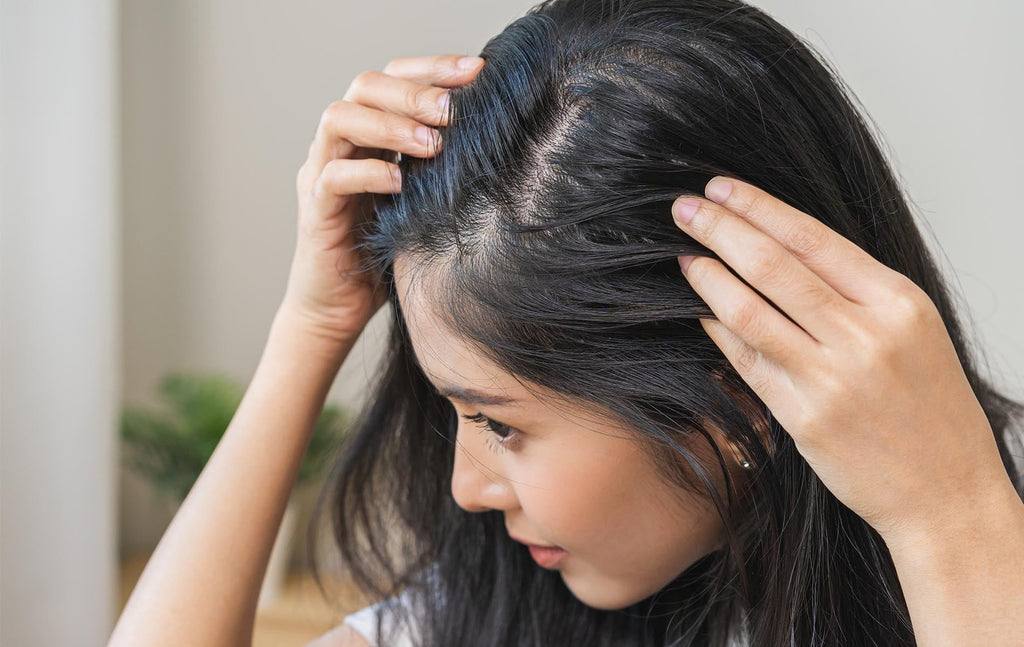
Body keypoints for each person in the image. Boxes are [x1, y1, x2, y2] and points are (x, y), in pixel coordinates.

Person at [108, 1, 1024, 646]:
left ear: (741, 392)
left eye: (500, 421)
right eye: (459, 413)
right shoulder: (504, 605)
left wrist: (950, 518)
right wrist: (308, 329)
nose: (467, 485)